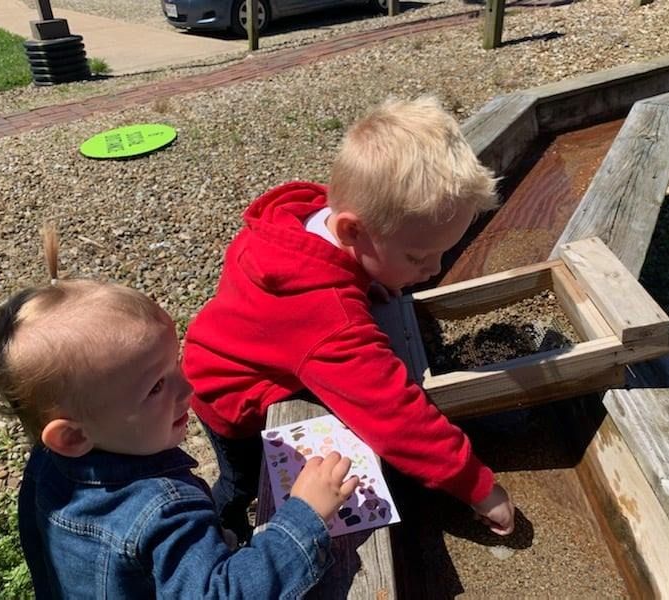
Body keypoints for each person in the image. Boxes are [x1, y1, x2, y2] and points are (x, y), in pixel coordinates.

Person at [183, 96, 516, 545]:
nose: (435, 269)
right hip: (229, 399)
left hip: (217, 350)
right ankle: (216, 533)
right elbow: (394, 415)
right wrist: (477, 485)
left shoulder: (299, 220)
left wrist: (366, 277)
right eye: (419, 256)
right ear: (351, 232)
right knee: (241, 483)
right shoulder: (325, 317)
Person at [0, 226, 359, 598]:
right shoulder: (163, 513)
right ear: (73, 436)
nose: (188, 386)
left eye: (175, 364)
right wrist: (305, 515)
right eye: (157, 386)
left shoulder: (48, 467)